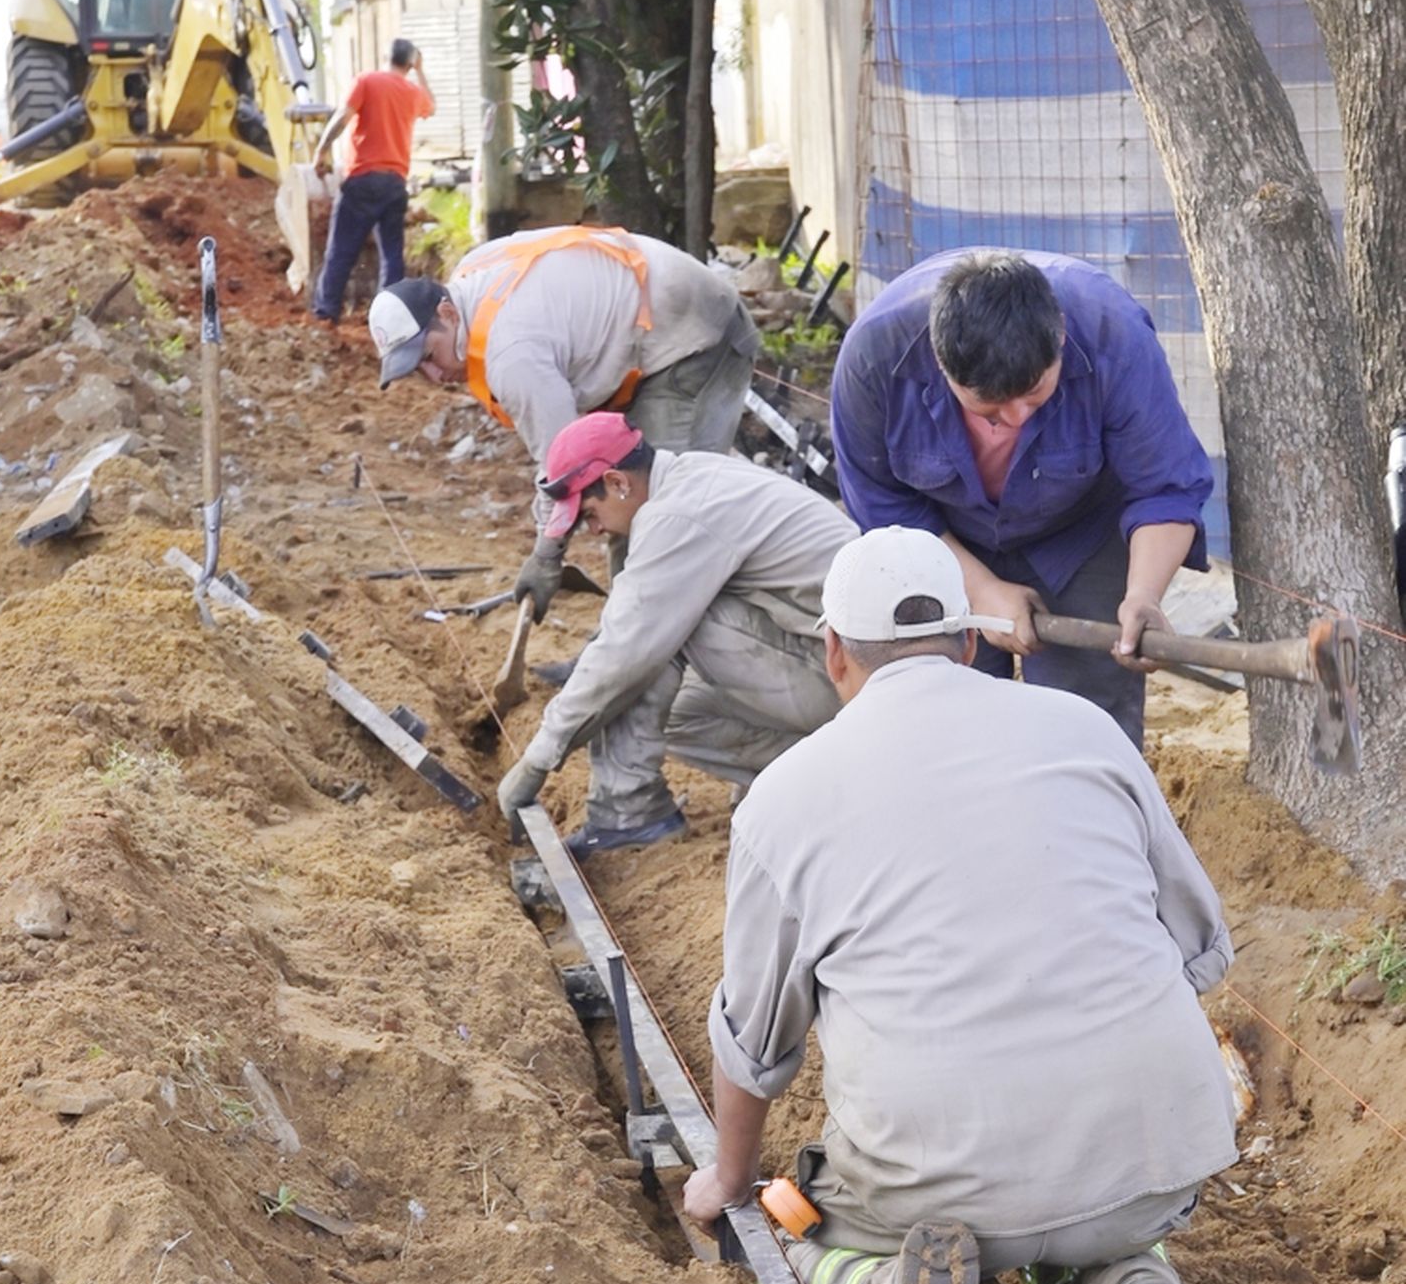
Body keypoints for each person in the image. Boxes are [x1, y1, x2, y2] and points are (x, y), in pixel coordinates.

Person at [684, 525, 1244, 1284]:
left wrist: (729, 1179)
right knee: (1081, 1224)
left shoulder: (784, 798)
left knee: (798, 1211)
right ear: (973, 639)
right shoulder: (1085, 730)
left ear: (832, 651)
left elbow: (756, 1042)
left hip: (925, 1187)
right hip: (1152, 1162)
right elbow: (1198, 950)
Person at [829, 248, 1214, 747]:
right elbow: (883, 507)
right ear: (941, 365)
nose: (1016, 420)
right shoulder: (874, 359)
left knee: (1085, 724)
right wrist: (983, 590)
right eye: (988, 409)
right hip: (939, 546)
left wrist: (1142, 595)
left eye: (1035, 394)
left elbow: (1165, 486)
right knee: (941, 719)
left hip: (1080, 536)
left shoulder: (1113, 337)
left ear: (1058, 336)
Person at [494, 412, 856, 858]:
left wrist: (537, 760)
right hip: (841, 668)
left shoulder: (679, 515)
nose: (594, 529)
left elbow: (625, 651)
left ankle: (628, 815)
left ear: (618, 482)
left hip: (849, 678)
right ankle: (823, 772)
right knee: (677, 713)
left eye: (590, 513)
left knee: (656, 630)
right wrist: (547, 553)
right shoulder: (692, 477)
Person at [368, 225, 759, 606]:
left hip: (698, 334)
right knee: (634, 505)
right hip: (653, 326)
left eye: (428, 356)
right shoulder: (472, 279)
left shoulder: (511, 355)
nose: (434, 376)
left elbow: (569, 468)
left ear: (448, 312)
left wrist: (546, 556)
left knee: (652, 510)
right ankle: (627, 646)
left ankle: (656, 655)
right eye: (418, 369)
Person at [311, 39, 436, 322]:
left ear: (385, 56)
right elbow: (433, 106)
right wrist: (421, 71)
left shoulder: (366, 81)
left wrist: (321, 150)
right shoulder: (413, 92)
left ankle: (326, 313)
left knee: (341, 249)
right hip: (395, 184)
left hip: (362, 179)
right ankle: (389, 320)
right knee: (392, 256)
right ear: (410, 62)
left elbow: (343, 117)